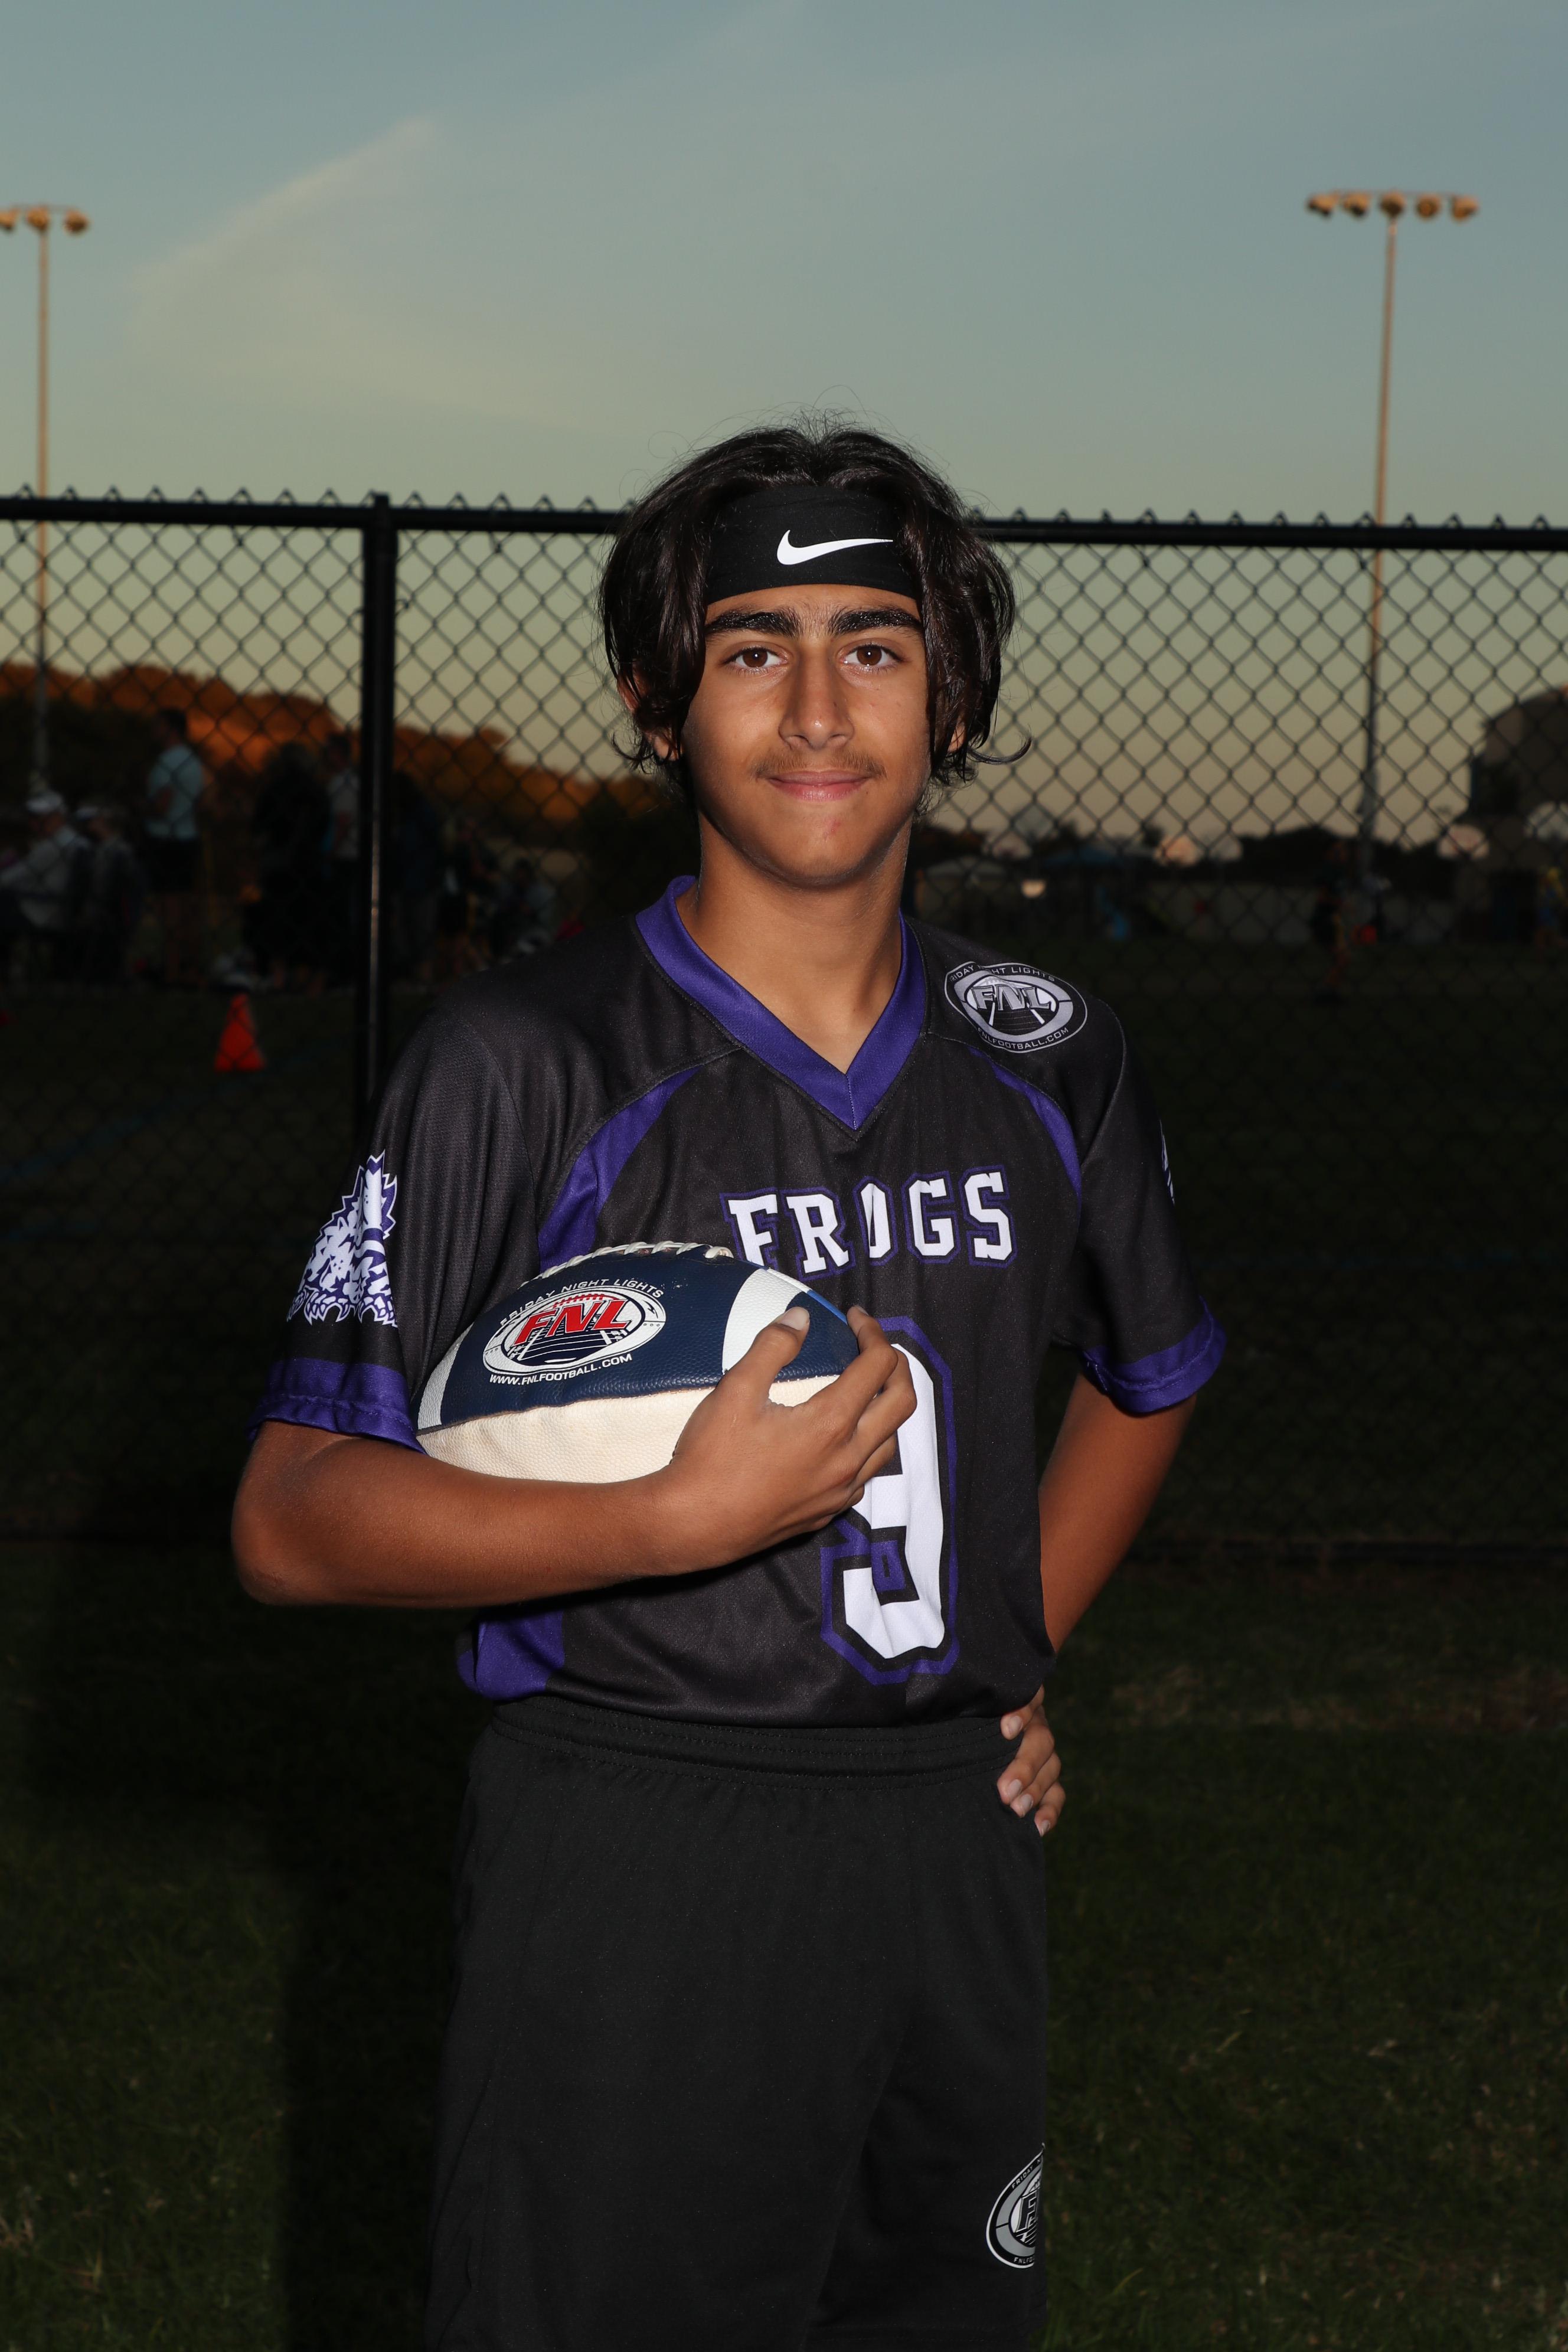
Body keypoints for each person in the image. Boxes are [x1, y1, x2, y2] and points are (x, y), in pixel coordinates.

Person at [233, 422, 1224, 2352]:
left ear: (951, 696)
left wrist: (1012, 1642)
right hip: (635, 1830)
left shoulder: (1050, 1051)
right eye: (751, 647)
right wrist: (667, 1518)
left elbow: (1148, 1371)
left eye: (875, 645)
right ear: (655, 699)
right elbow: (291, 1520)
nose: (817, 706)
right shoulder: (524, 1061)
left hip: (954, 1837)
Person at [251, 743, 331, 991]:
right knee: (308, 922)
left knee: (277, 922)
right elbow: (323, 826)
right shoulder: (317, 790)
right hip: (309, 864)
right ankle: (306, 981)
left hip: (278, 864)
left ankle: (279, 978)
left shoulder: (273, 789)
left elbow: (259, 828)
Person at [142, 707, 208, 986]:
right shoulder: (194, 761)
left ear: (171, 728)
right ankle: (190, 968)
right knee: (187, 908)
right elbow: (202, 802)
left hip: (165, 841)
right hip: (189, 837)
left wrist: (139, 808)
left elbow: (163, 805)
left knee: (169, 910)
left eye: (158, 725)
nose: (153, 730)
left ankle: (171, 973)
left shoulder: (166, 762)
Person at [0, 788, 88, 977]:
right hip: (49, 906)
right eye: (34, 818)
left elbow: (14, 877)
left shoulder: (53, 846)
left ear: (58, 817)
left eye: (41, 818)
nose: (34, 823)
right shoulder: (74, 841)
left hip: (41, 911)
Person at [74, 804, 146, 983]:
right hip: (105, 913)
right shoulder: (98, 849)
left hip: (110, 913)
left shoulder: (117, 852)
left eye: (90, 822)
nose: (87, 828)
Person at [321, 731, 360, 982]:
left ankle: (344, 971)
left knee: (343, 915)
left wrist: (330, 852)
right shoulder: (350, 782)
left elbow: (342, 822)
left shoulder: (343, 784)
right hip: (350, 856)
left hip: (346, 858)